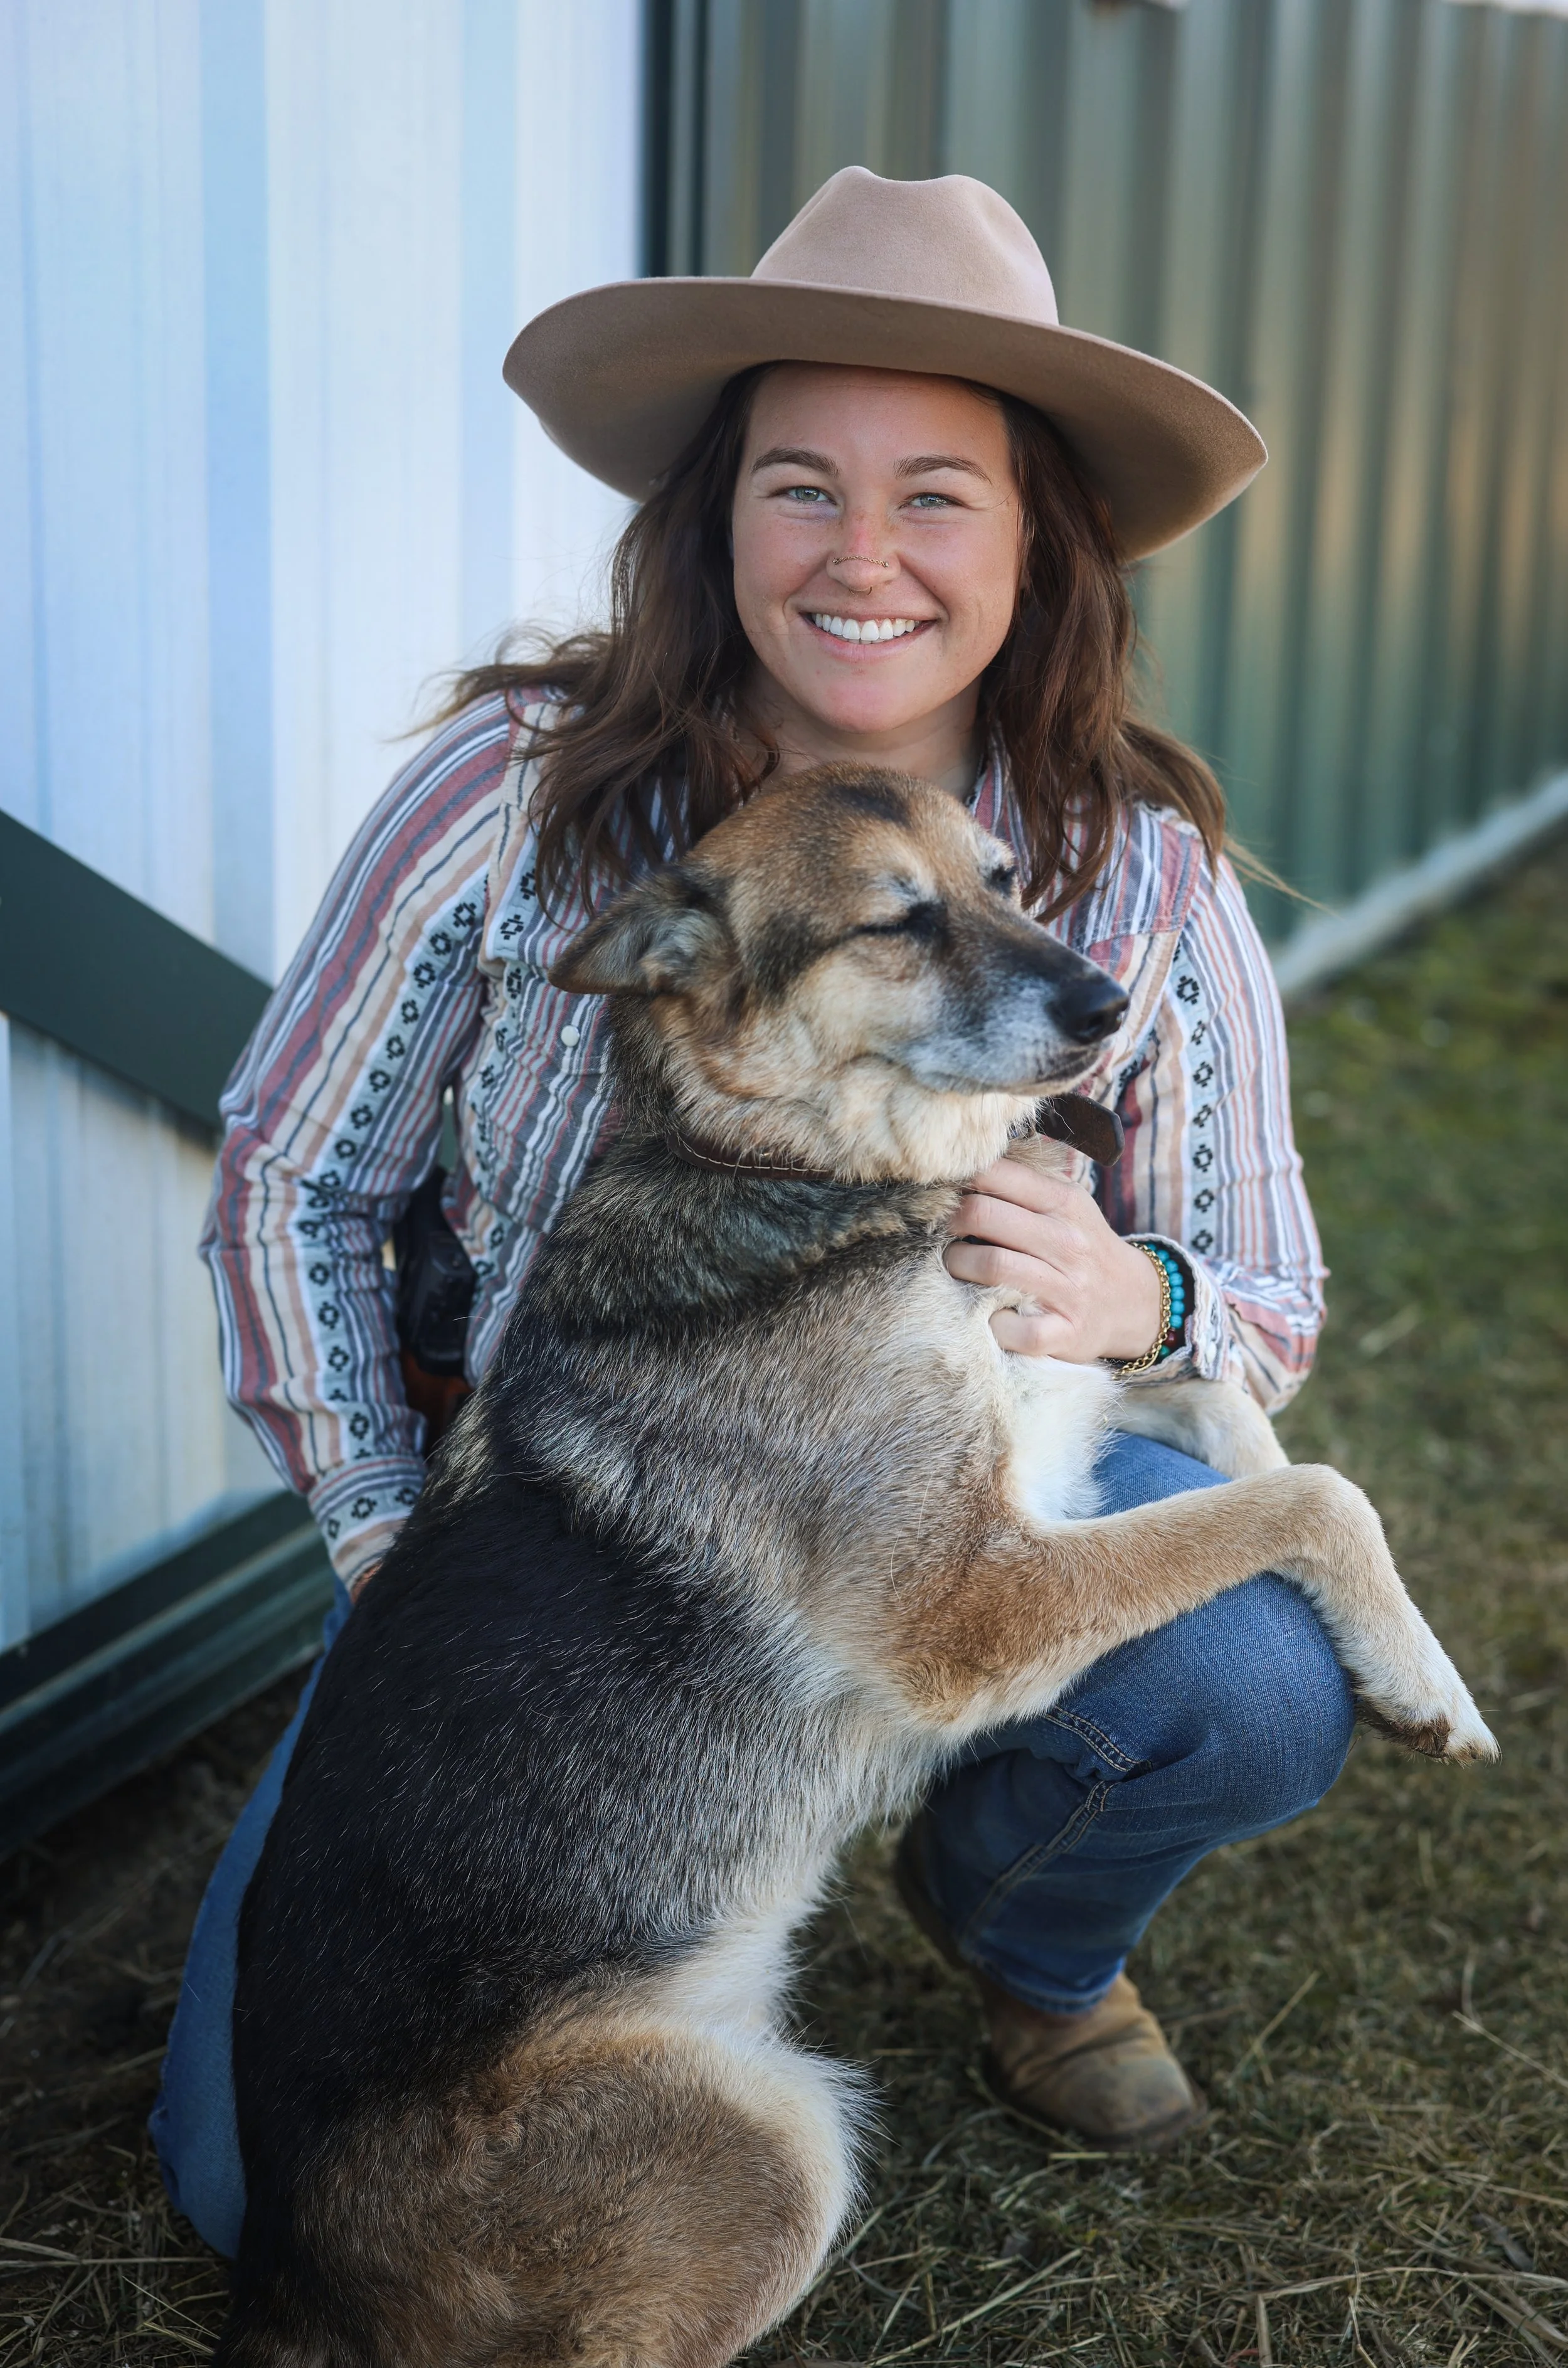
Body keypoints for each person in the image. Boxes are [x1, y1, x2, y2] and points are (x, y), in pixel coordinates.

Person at [154, 167, 1339, 2256]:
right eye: (802, 485)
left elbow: (1265, 1290)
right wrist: (386, 1555)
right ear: (718, 519)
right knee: (268, 2202)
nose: (861, 554)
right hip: (575, 1598)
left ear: (1034, 537)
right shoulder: (520, 799)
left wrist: (1141, 1284)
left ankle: (1023, 1930)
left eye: (937, 495)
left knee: (1252, 1679)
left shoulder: (1140, 870)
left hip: (945, 1509)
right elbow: (295, 1180)